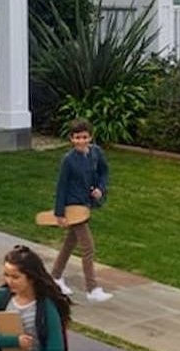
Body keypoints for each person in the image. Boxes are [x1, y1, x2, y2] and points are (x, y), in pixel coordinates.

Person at [51, 119, 113, 303]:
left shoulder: (96, 153)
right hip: (73, 206)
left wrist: (100, 189)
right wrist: (59, 213)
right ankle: (91, 288)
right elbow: (61, 186)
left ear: (90, 137)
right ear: (71, 139)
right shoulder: (68, 160)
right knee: (88, 247)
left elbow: (104, 171)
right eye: (77, 138)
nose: (81, 141)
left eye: (84, 137)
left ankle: (55, 277)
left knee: (70, 243)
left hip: (86, 204)